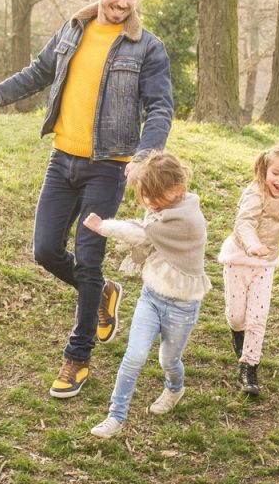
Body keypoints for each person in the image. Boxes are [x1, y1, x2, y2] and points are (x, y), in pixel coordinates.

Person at [0, 0, 174, 398]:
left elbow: (160, 107)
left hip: (109, 167)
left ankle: (77, 356)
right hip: (62, 160)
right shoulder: (72, 30)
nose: (123, 2)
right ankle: (102, 293)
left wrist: (145, 156)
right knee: (45, 250)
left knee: (87, 258)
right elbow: (40, 71)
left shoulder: (147, 47)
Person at [82, 152, 210, 439]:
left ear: (177, 191)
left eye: (154, 197)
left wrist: (102, 227)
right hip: (151, 297)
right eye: (145, 197)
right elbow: (146, 229)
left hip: (182, 306)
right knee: (135, 355)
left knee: (168, 361)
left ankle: (175, 389)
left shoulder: (187, 220)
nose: (149, 204)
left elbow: (141, 234)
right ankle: (115, 416)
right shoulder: (161, 211)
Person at [218, 145, 279, 394]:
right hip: (239, 259)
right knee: (237, 317)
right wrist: (253, 245)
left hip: (266, 264)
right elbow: (244, 223)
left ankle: (249, 367)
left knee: (257, 319)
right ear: (265, 170)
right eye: (276, 173)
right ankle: (237, 334)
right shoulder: (254, 193)